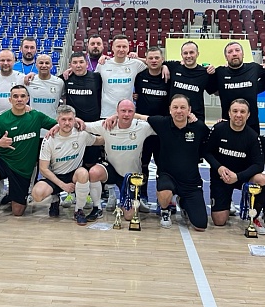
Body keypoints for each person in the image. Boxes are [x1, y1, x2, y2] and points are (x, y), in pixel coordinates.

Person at [0, 85, 57, 224]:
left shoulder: (36, 116)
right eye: (15, 96)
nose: (19, 99)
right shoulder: (2, 119)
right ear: (10, 99)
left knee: (18, 212)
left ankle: (12, 196)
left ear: (28, 99)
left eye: (22, 96)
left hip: (23, 169)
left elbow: (59, 125)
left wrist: (76, 121)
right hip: (4, 161)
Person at [140, 94, 210, 231]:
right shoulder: (162, 123)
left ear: (189, 110)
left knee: (200, 225)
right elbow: (140, 116)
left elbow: (215, 137)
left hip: (191, 181)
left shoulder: (199, 127)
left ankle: (183, 202)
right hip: (168, 176)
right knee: (165, 191)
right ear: (170, 109)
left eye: (183, 108)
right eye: (175, 107)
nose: (179, 111)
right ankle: (165, 210)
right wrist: (115, 117)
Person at [83, 99, 156, 222]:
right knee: (94, 172)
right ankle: (97, 207)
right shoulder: (107, 125)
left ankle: (133, 200)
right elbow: (84, 125)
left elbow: (163, 124)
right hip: (111, 170)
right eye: (123, 111)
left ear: (135, 113)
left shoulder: (142, 127)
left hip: (131, 177)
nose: (126, 114)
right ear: (117, 112)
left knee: (129, 216)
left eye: (130, 111)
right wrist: (59, 126)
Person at [203, 98, 265, 229]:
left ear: (248, 115)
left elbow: (258, 165)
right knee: (219, 221)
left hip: (241, 177)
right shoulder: (218, 129)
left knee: (263, 179)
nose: (238, 115)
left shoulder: (252, 136)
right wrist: (219, 167)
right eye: (235, 111)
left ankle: (253, 216)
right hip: (221, 177)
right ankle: (226, 203)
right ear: (229, 113)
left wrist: (238, 177)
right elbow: (206, 152)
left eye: (242, 112)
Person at [31, 105, 103, 224]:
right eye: (63, 119)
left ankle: (78, 210)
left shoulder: (82, 134)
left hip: (73, 174)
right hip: (55, 176)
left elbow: (100, 140)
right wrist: (63, 185)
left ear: (75, 120)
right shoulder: (49, 139)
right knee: (37, 194)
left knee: (83, 173)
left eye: (70, 119)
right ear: (57, 120)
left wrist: (116, 133)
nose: (67, 123)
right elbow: (43, 169)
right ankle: (55, 199)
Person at [213, 41, 265, 134]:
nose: (234, 54)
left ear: (243, 54)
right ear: (226, 57)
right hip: (228, 125)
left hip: (252, 125)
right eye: (230, 52)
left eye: (237, 50)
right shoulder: (219, 72)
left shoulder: (253, 68)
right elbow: (211, 88)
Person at [134, 46, 169, 202]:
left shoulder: (169, 76)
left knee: (163, 166)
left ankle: (163, 197)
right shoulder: (139, 76)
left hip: (163, 129)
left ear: (162, 60)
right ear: (146, 60)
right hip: (143, 127)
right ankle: (142, 195)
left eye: (157, 58)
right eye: (150, 58)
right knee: (142, 164)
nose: (154, 61)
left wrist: (166, 66)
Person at [61, 51, 103, 174]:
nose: (78, 65)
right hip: (72, 126)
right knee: (73, 160)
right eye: (75, 63)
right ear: (70, 65)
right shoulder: (65, 78)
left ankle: (91, 184)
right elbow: (47, 79)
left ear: (87, 64)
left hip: (93, 126)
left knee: (91, 162)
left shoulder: (97, 78)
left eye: (81, 62)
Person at [95, 34, 147, 118]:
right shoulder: (103, 64)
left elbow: (154, 66)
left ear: (128, 48)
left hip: (127, 114)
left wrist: (164, 67)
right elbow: (91, 79)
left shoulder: (136, 64)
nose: (121, 49)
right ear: (112, 48)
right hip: (107, 113)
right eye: (118, 46)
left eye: (124, 47)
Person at [163, 41, 216, 121]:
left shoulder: (205, 72)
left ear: (197, 54)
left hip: (196, 118)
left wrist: (213, 71)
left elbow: (215, 92)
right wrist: (164, 66)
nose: (188, 56)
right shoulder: (173, 67)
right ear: (181, 55)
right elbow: (153, 62)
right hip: (174, 117)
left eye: (191, 52)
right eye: (185, 53)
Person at [25, 54, 64, 127]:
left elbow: (64, 100)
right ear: (36, 65)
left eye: (47, 63)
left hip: (52, 123)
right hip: (34, 123)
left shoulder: (59, 82)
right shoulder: (29, 81)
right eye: (41, 63)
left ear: (51, 65)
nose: (44, 65)